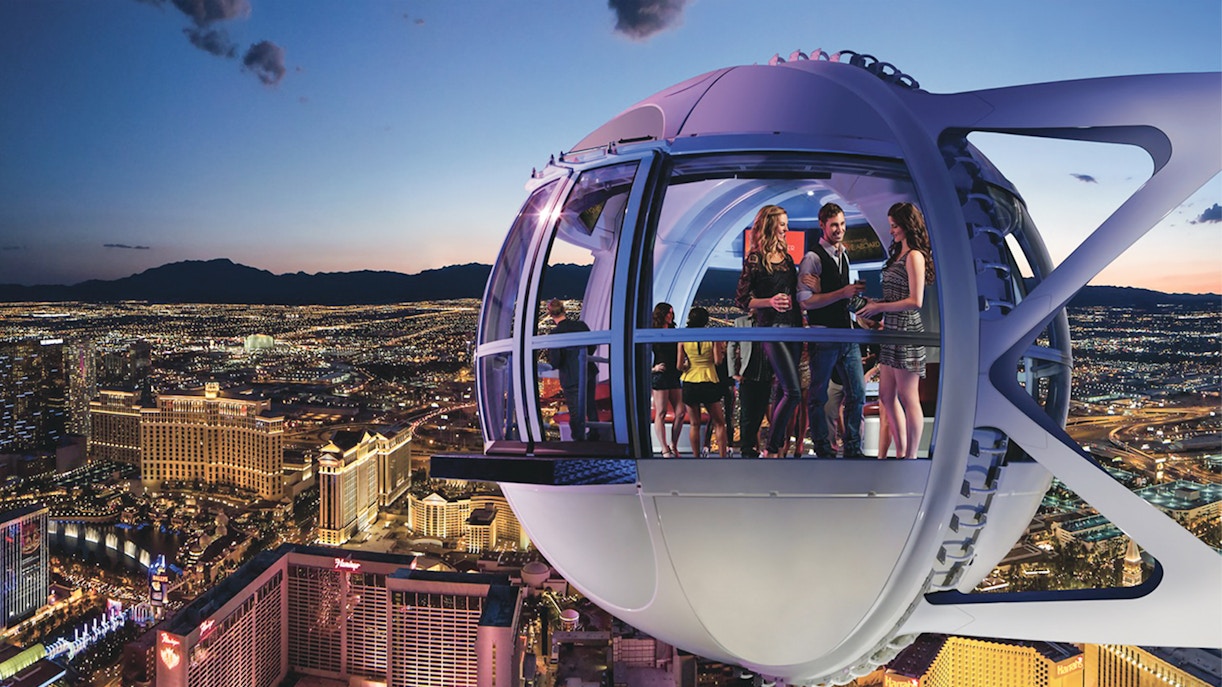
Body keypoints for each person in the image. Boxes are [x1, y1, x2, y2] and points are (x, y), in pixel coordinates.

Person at [796, 202, 876, 459]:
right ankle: (822, 448)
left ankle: (852, 447)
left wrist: (866, 309)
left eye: (842, 224)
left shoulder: (843, 255)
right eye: (834, 225)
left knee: (857, 393)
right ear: (822, 225)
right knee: (818, 396)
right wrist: (841, 292)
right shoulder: (813, 257)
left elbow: (839, 299)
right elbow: (806, 301)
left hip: (847, 334)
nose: (840, 229)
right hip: (824, 335)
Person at [858, 202, 935, 459]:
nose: (891, 231)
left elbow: (916, 301)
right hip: (891, 329)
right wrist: (874, 309)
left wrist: (880, 306)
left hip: (907, 330)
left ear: (906, 225)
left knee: (907, 395)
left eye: (894, 226)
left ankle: (910, 455)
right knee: (886, 395)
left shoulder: (915, 256)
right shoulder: (898, 256)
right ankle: (901, 450)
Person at [735, 205, 803, 458]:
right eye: (782, 224)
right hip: (771, 328)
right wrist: (769, 301)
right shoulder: (754, 258)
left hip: (795, 328)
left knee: (785, 391)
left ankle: (775, 448)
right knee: (793, 392)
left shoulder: (787, 258)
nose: (786, 228)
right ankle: (771, 449)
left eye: (786, 223)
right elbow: (741, 300)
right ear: (769, 225)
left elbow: (796, 294)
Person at [676, 307, 728, 457]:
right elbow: (718, 361)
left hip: (689, 381)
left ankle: (696, 457)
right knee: (719, 422)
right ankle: (722, 456)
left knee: (694, 423)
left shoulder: (683, 338)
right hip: (708, 379)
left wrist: (689, 365)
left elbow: (679, 366)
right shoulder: (712, 336)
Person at [545, 298, 597, 441]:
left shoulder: (555, 334)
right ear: (564, 310)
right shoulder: (581, 326)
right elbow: (592, 347)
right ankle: (595, 436)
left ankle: (578, 441)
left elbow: (556, 361)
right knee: (590, 406)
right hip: (588, 372)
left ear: (550, 314)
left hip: (570, 376)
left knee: (575, 411)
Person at [728, 314, 772, 458]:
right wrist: (734, 373)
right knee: (747, 413)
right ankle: (746, 448)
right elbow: (732, 346)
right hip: (747, 375)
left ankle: (750, 445)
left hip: (766, 374)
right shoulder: (740, 322)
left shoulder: (769, 320)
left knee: (759, 413)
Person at [650, 302, 686, 456]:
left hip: (673, 374)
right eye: (668, 313)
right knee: (661, 412)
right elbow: (640, 355)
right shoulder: (652, 332)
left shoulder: (674, 331)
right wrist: (653, 369)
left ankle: (674, 444)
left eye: (672, 313)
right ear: (661, 314)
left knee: (680, 412)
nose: (671, 316)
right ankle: (664, 447)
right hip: (660, 376)